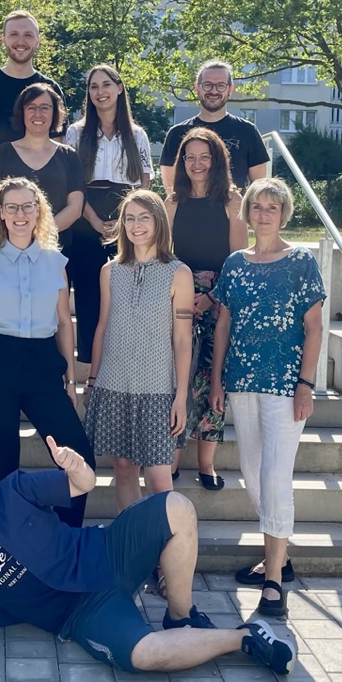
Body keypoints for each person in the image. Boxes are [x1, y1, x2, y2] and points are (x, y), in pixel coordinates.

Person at [0, 447, 297, 679]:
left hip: (105, 551)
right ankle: (244, 638)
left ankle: (181, 616)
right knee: (145, 657)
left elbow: (83, 484)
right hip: (81, 614)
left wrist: (76, 467)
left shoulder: (14, 490)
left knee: (176, 506)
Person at [209, 177, 325, 617]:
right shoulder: (235, 264)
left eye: (271, 208)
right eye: (256, 207)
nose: (263, 215)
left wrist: (306, 384)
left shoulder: (301, 262)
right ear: (247, 213)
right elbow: (223, 325)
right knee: (253, 473)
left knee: (276, 476)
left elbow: (314, 327)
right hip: (241, 382)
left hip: (284, 386)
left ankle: (274, 578)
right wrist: (217, 381)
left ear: (284, 214)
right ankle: (281, 554)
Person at [0, 178, 96, 527]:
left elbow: (63, 323)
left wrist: (71, 381)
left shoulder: (56, 262)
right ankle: (10, 539)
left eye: (27, 206)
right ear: (1, 213)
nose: (20, 214)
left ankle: (64, 535)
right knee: (1, 466)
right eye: (12, 207)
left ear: (38, 211)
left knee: (79, 453)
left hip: (42, 364)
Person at [83, 190, 193, 513]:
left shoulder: (179, 273)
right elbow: (102, 327)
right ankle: (129, 542)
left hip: (158, 390)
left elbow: (182, 339)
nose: (136, 225)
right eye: (129, 218)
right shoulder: (110, 270)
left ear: (158, 221)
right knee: (124, 470)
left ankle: (166, 544)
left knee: (159, 479)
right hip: (114, 385)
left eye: (144, 217)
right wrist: (92, 380)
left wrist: (181, 396)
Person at [166, 127, 248, 490]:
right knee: (178, 379)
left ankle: (206, 463)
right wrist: (183, 297)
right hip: (177, 297)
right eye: (190, 157)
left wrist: (213, 296)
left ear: (217, 161)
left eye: (204, 157)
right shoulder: (171, 201)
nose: (197, 164)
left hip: (220, 299)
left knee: (214, 379)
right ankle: (170, 458)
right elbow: (163, 255)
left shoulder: (232, 201)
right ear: (182, 162)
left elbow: (238, 261)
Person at [64, 64, 152, 365]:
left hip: (126, 218)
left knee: (126, 293)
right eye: (93, 87)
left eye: (106, 85)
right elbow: (73, 184)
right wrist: (94, 220)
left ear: (119, 88)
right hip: (85, 215)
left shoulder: (137, 135)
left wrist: (126, 221)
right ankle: (90, 367)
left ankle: (124, 361)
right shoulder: (76, 133)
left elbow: (144, 184)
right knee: (88, 294)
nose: (100, 92)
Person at [0, 10, 64, 174]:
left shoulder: (51, 88)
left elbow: (57, 142)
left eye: (28, 35)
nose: (21, 41)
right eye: (14, 34)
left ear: (38, 40)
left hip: (41, 187)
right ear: (3, 39)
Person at [0, 84, 84, 233]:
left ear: (54, 113)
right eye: (31, 108)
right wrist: (21, 237)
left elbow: (75, 208)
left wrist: (40, 235)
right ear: (22, 112)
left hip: (56, 244)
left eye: (44, 108)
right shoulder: (3, 153)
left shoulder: (69, 156)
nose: (38, 114)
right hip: (9, 244)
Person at [159, 60, 269, 192]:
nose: (214, 91)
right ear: (197, 88)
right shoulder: (176, 134)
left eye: (221, 85)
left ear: (230, 89)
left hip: (234, 205)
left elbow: (257, 189)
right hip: (188, 206)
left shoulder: (248, 131)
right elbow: (171, 190)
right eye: (207, 85)